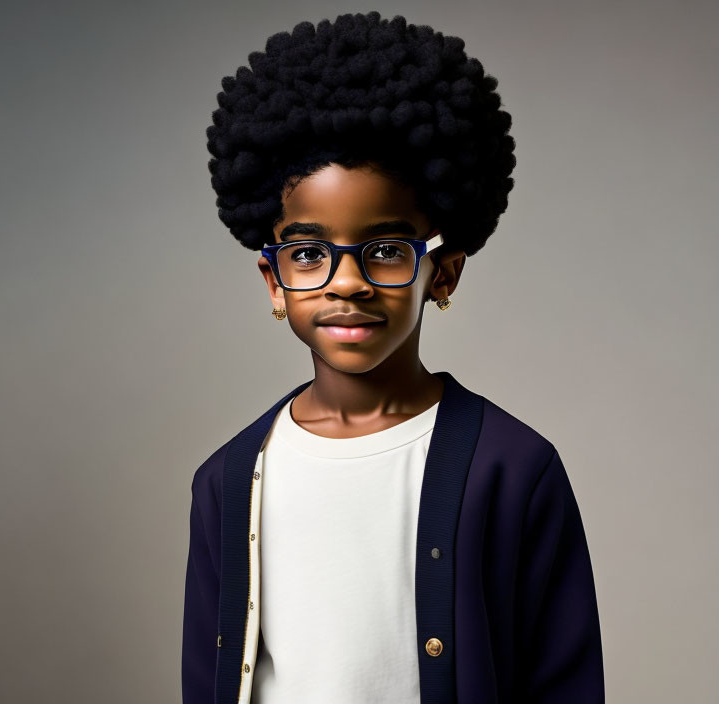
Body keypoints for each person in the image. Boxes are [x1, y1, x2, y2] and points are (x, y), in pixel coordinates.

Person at [183, 11, 604, 704]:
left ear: (442, 274)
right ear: (274, 282)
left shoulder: (515, 469)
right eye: (309, 253)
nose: (344, 281)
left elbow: (565, 682)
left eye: (383, 250)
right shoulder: (229, 482)